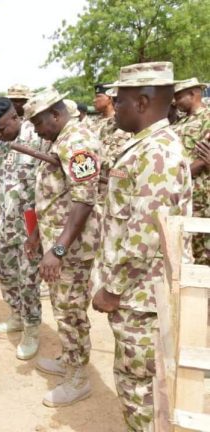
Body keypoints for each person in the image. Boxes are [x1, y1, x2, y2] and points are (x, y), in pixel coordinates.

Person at [92, 61, 193, 431]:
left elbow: (146, 233)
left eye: (119, 100)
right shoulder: (145, 147)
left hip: (143, 298)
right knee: (137, 382)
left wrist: (112, 288)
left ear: (143, 101)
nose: (113, 106)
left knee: (143, 390)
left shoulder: (157, 153)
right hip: (139, 296)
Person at [24, 87, 101, 407]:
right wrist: (39, 237)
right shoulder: (60, 140)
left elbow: (84, 201)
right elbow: (56, 197)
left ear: (56, 114)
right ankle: (70, 359)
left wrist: (57, 250)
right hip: (58, 240)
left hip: (72, 247)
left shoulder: (78, 142)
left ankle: (78, 378)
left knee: (71, 311)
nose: (37, 130)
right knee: (63, 307)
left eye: (39, 123)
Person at [0, 97, 43, 360]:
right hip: (6, 222)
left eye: (3, 129)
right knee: (6, 273)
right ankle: (16, 315)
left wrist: (38, 232)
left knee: (28, 279)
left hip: (30, 224)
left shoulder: (38, 140)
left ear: (16, 119)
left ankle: (31, 329)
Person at [172, 77, 210, 265]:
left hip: (201, 196)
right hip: (182, 196)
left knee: (202, 250)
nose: (175, 102)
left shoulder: (208, 118)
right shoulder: (180, 123)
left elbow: (203, 160)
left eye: (179, 97)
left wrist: (174, 177)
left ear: (194, 94)